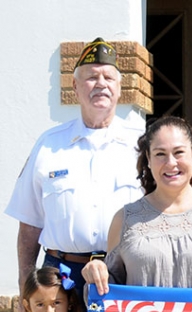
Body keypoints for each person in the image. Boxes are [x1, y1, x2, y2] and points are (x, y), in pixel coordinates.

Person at [6, 37, 143, 293]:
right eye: (91, 77)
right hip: (61, 277)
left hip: (125, 275)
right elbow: (29, 223)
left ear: (120, 87)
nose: (100, 84)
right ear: (75, 86)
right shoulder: (48, 145)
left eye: (108, 78)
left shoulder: (142, 144)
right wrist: (25, 281)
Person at [82, 116, 192, 297]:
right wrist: (97, 270)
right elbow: (109, 290)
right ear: (148, 158)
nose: (170, 163)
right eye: (160, 154)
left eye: (178, 152)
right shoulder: (125, 218)